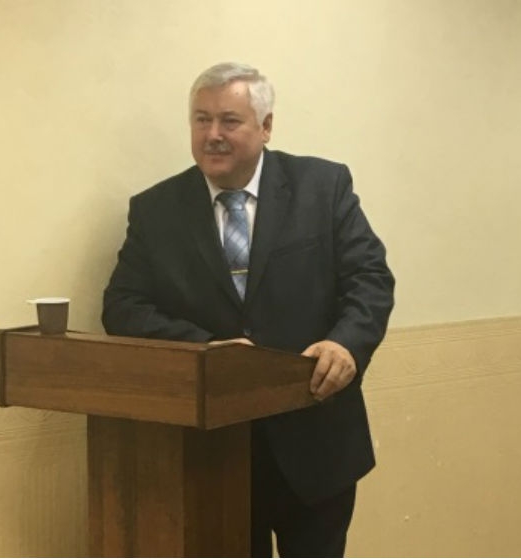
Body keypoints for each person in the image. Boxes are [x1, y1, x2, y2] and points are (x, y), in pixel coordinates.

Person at [102, 62, 395, 557]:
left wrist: (346, 344)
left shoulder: (322, 187)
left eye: (229, 120)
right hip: (213, 452)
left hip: (316, 440)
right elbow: (122, 307)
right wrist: (208, 351)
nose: (213, 134)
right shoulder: (156, 209)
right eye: (201, 120)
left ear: (266, 126)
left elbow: (370, 279)